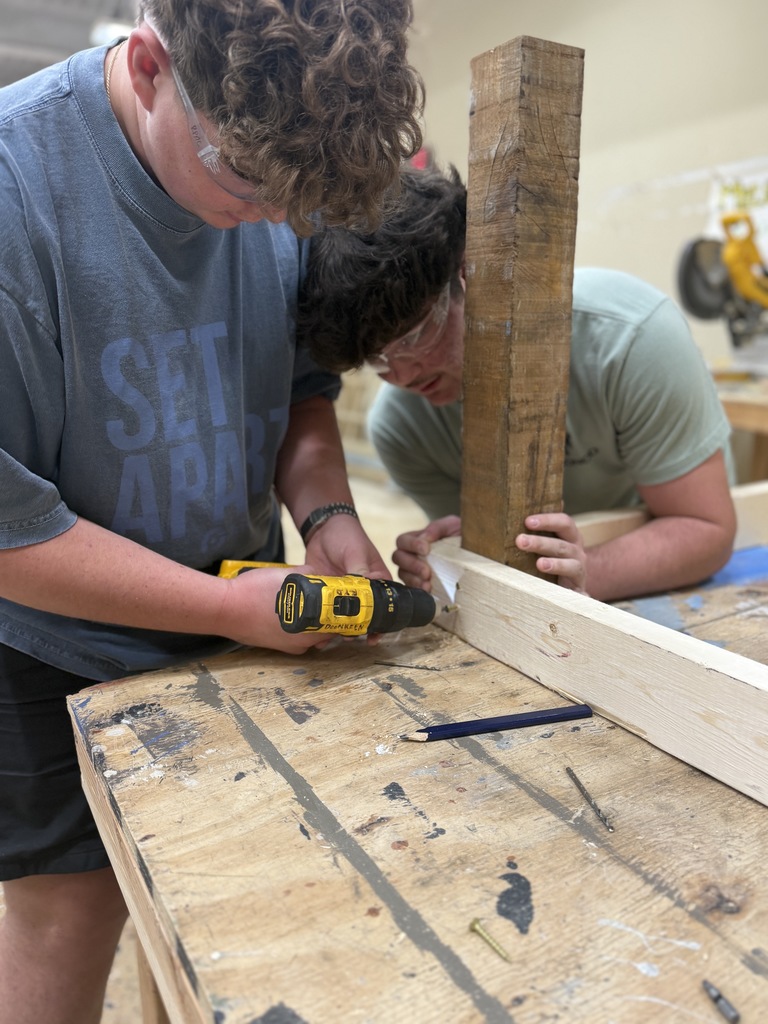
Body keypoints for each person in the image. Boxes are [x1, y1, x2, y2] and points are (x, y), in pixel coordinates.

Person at [0, 3, 423, 1020]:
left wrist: (326, 515)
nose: (271, 221)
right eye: (243, 183)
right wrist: (227, 605)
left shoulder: (281, 165)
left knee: (221, 901)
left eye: (294, 202)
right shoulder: (17, 193)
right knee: (69, 920)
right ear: (150, 66)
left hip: (247, 611)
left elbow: (303, 389)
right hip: (52, 641)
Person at [299, 164, 737, 604]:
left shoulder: (631, 342)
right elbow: (493, 562)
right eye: (377, 359)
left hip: (662, 583)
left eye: (414, 337)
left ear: (468, 272)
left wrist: (587, 572)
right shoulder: (403, 429)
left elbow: (705, 529)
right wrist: (450, 559)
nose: (402, 376)